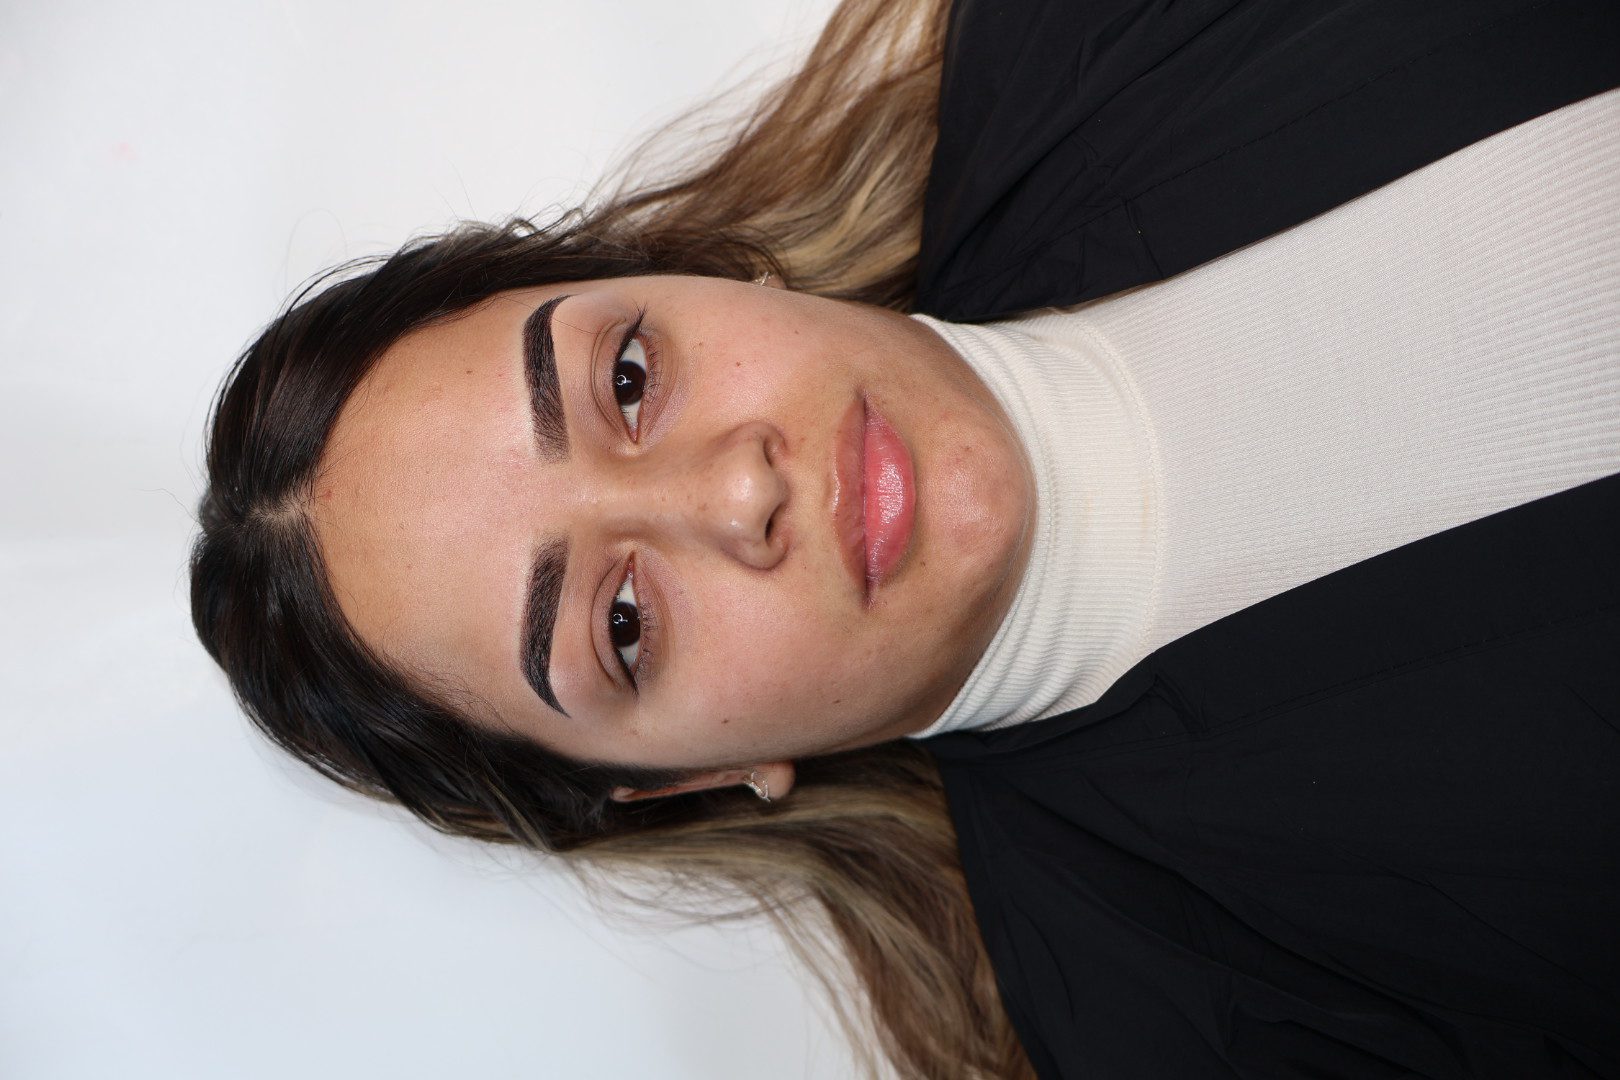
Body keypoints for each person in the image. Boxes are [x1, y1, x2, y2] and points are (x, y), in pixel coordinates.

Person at [190, 0, 1620, 1076]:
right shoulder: (1201, 1026)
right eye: (621, 625)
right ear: (687, 779)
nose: (733, 493)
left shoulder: (1084, 29)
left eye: (627, 379)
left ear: (686, 275)